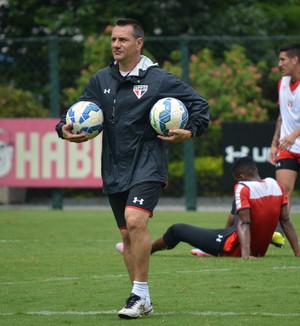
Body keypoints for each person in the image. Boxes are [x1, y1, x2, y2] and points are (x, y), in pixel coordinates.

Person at [55, 18, 210, 319]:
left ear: (139, 43)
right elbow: (74, 113)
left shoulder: (159, 79)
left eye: (123, 40)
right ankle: (142, 299)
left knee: (135, 220)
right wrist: (64, 128)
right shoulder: (101, 80)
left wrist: (191, 130)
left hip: (149, 164)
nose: (116, 45)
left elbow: (200, 105)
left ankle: (137, 295)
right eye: (113, 39)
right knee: (127, 235)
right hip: (114, 166)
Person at [117, 157, 300, 259]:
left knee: (177, 229)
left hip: (233, 247)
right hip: (258, 248)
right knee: (241, 208)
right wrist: (297, 252)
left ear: (242, 175)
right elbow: (285, 221)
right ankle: (211, 243)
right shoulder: (275, 185)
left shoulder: (242, 187)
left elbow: (244, 223)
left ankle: (144, 249)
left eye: (237, 178)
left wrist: (245, 255)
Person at [269, 43, 300, 213]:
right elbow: (282, 115)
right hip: (287, 147)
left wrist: (295, 134)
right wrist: (274, 143)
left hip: (292, 139)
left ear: (295, 59)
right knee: (283, 195)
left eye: (283, 60)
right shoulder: (282, 83)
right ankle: (280, 236)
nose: (280, 64)